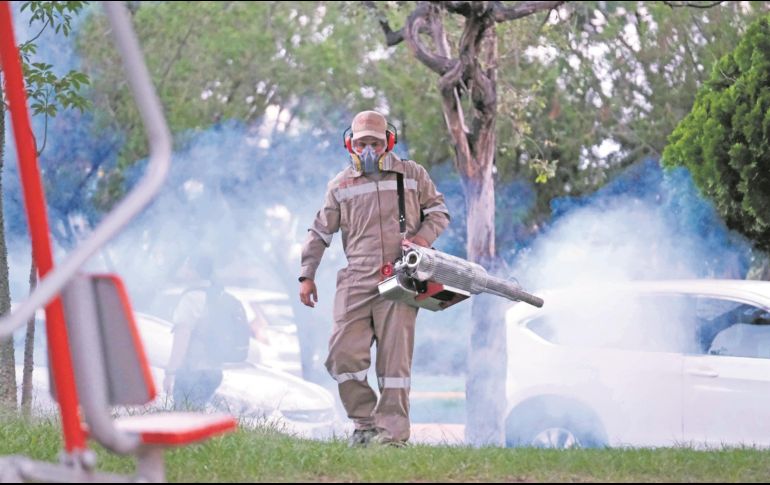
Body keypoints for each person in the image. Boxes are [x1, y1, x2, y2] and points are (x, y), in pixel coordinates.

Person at [298, 110, 450, 447]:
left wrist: (422, 240)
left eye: (375, 142)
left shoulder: (412, 174)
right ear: (349, 144)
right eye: (362, 142)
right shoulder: (339, 185)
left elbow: (439, 212)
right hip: (356, 278)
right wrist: (306, 275)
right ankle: (364, 424)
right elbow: (321, 231)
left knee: (394, 364)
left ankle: (392, 436)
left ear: (389, 142)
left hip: (401, 277)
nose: (368, 149)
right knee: (342, 355)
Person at [164, 255, 248, 410]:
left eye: (187, 266)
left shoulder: (191, 299)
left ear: (195, 271)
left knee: (184, 421)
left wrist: (170, 372)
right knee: (195, 416)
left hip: (193, 372)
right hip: (214, 372)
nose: (183, 270)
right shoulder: (217, 295)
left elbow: (182, 337)